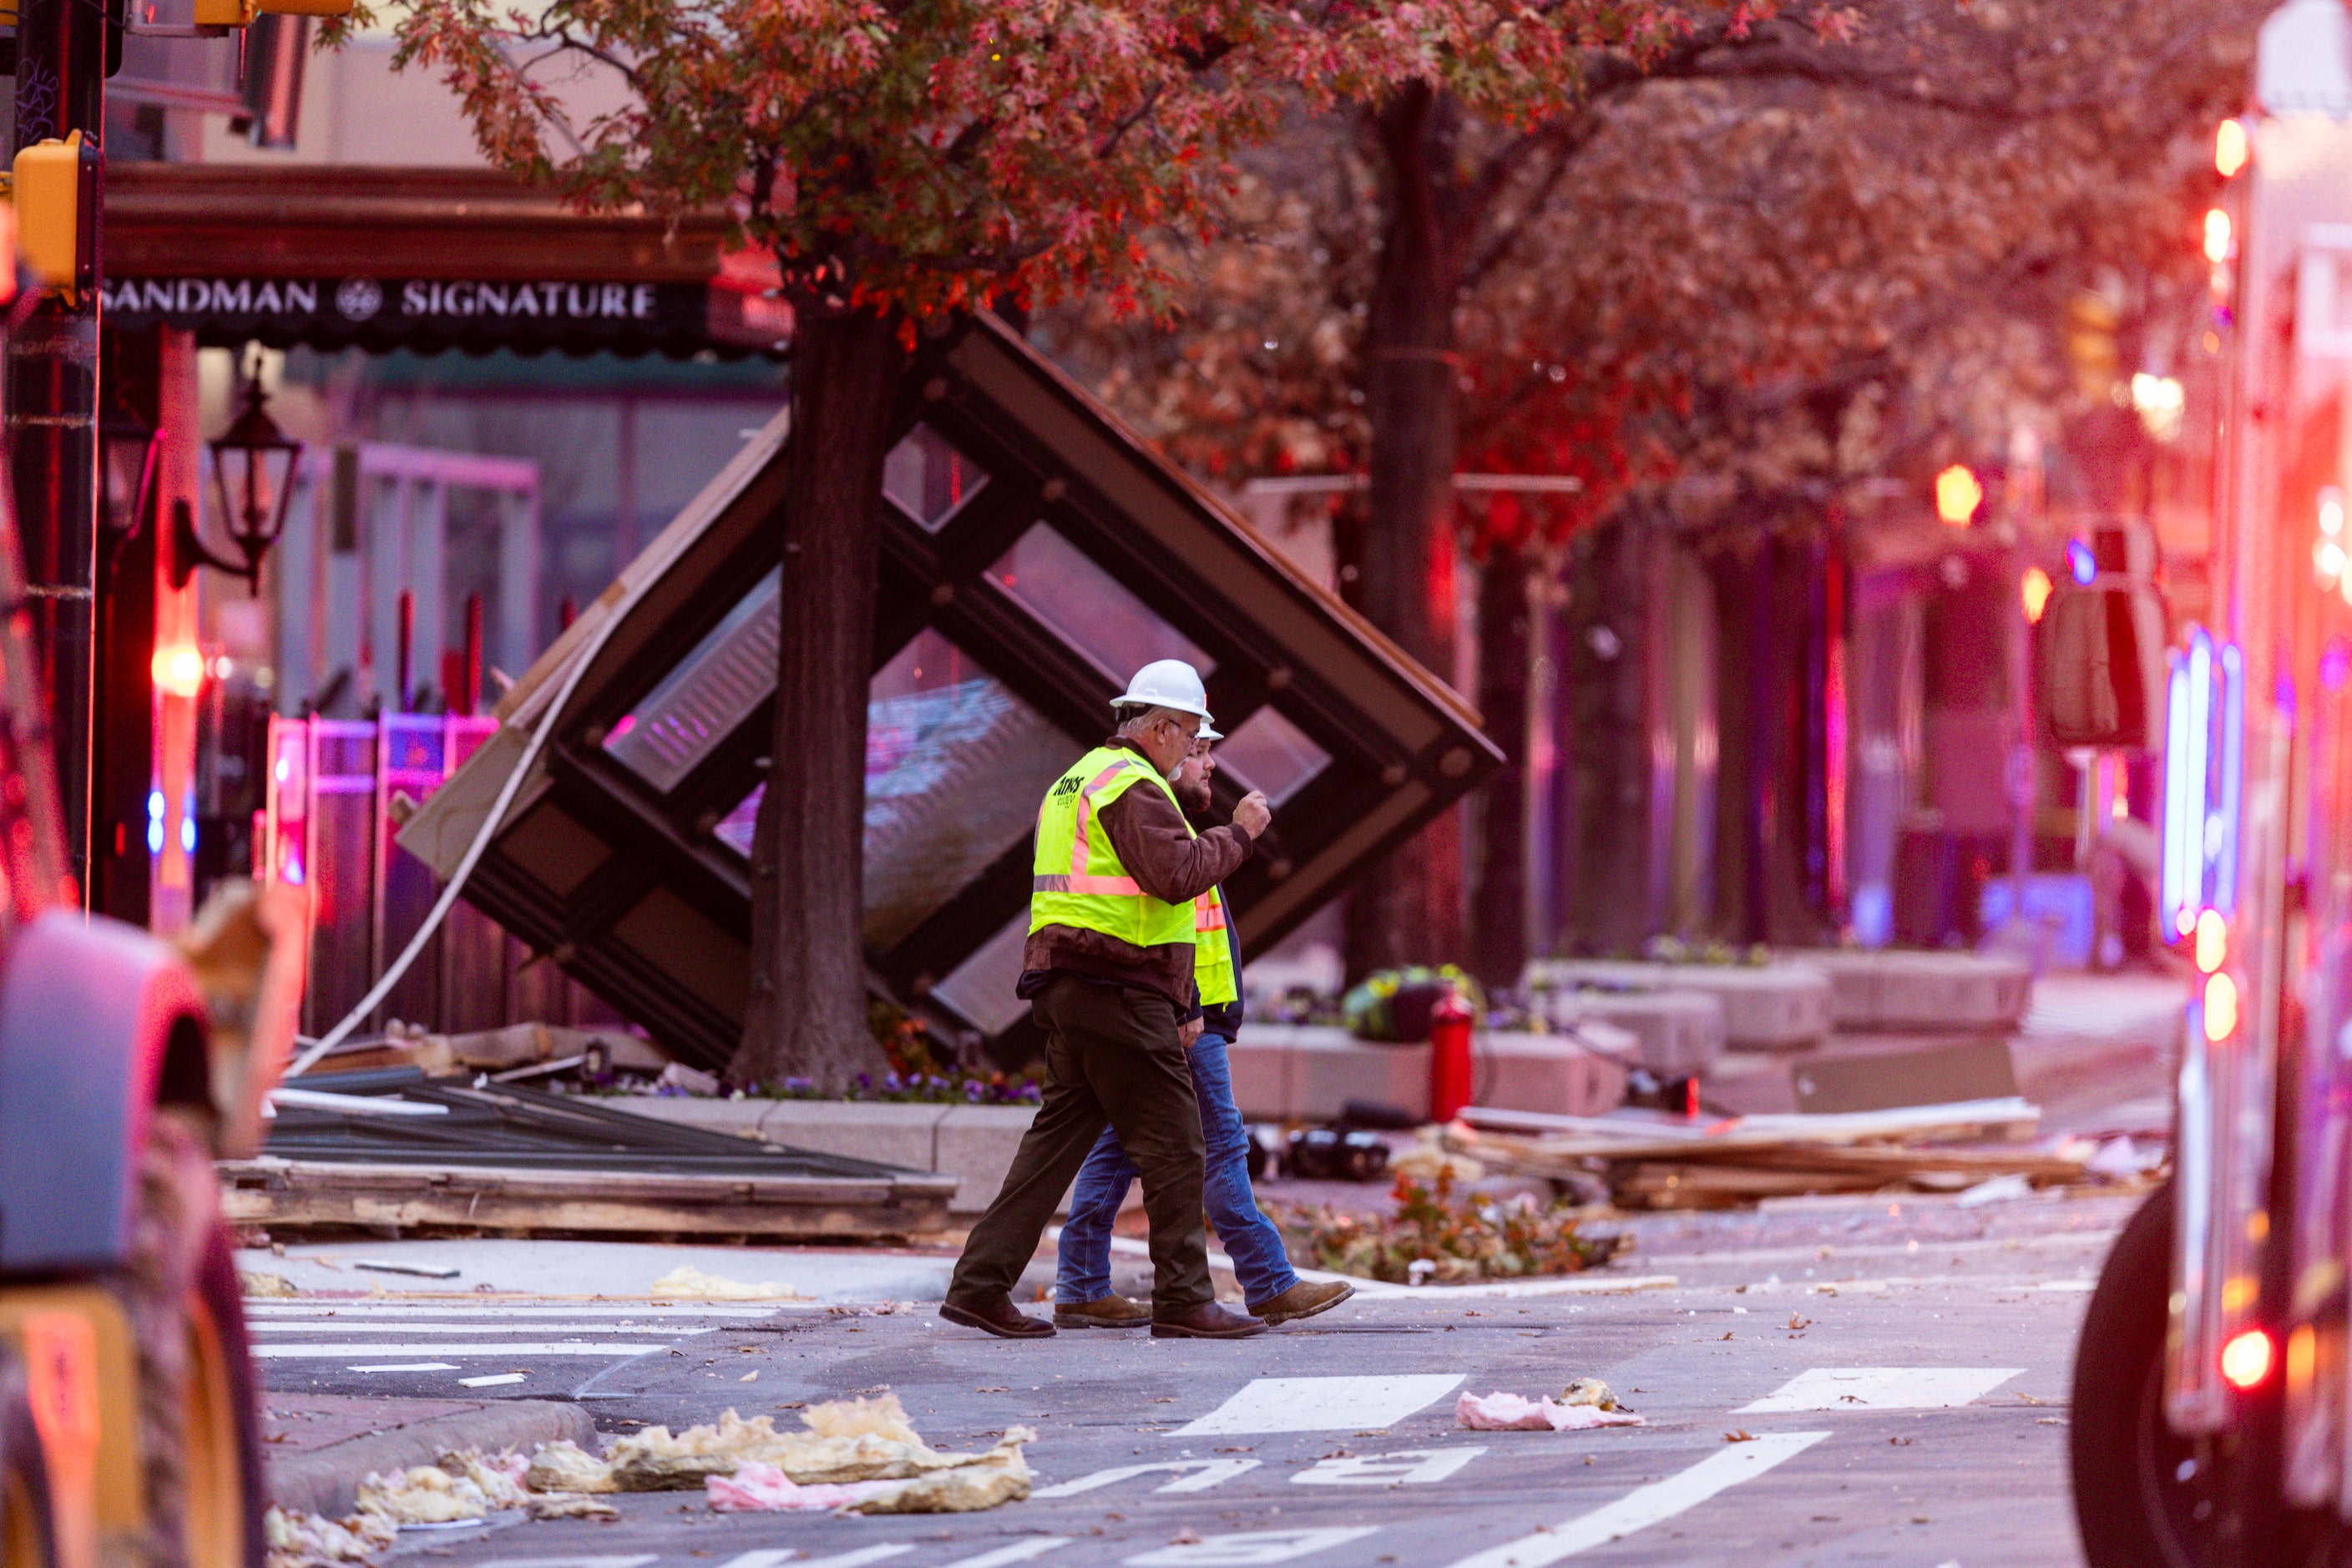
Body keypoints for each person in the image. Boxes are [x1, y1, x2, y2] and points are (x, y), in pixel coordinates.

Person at [941, 660, 1274, 1340]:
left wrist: (1182, 1005)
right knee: (1178, 1144)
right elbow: (1175, 877)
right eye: (1188, 735)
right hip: (1116, 986)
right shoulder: (1132, 784)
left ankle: (978, 1285)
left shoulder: (1078, 779)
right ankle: (1183, 1299)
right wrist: (1239, 834)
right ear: (1157, 727)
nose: (1192, 749)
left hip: (1070, 984)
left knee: (1053, 1147)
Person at [1052, 728, 1354, 1328]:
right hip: (1188, 1017)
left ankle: (1081, 1285)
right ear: (1163, 749)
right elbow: (1166, 922)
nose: (1208, 764)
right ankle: (1268, 1282)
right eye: (1196, 751)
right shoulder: (1152, 818)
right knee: (1221, 1148)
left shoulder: (1160, 820)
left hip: (1177, 1010)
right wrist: (1188, 1004)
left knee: (1114, 1150)